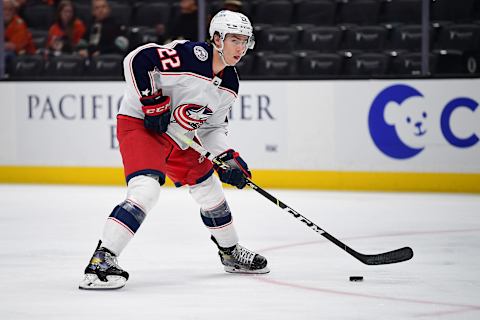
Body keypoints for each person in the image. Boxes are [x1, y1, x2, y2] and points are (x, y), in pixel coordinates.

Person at [79, 10, 268, 290]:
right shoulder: (191, 56)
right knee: (146, 190)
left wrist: (228, 158)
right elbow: (137, 59)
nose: (240, 48)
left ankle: (230, 253)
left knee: (210, 190)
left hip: (181, 136)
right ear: (217, 38)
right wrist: (151, 100)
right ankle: (101, 261)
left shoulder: (230, 83)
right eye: (234, 40)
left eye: (245, 41)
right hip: (141, 125)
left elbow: (212, 128)